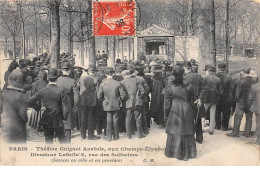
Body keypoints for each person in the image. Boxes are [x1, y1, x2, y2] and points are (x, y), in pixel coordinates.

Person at [28, 68, 69, 144]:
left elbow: (29, 101)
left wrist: (37, 108)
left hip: (46, 118)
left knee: (48, 141)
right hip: (58, 119)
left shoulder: (42, 91)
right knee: (63, 141)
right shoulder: (60, 91)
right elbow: (66, 108)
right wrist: (64, 118)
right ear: (57, 78)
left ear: (47, 78)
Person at [163, 66, 197, 161]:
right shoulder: (189, 86)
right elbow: (193, 101)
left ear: (173, 75)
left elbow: (166, 104)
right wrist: (193, 113)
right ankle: (189, 152)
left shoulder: (169, 88)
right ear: (183, 74)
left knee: (175, 130)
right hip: (187, 110)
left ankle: (173, 152)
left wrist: (166, 114)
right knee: (187, 130)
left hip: (174, 110)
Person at [98, 67, 126, 141]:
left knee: (108, 120)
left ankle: (108, 136)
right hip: (116, 104)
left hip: (107, 104)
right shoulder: (118, 83)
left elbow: (99, 96)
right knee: (116, 119)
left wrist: (104, 100)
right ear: (113, 73)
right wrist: (119, 99)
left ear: (105, 74)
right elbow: (123, 95)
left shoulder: (102, 84)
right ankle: (116, 136)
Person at [227, 68, 256, 137]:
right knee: (249, 118)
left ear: (243, 73)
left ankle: (235, 133)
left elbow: (238, 92)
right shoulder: (254, 81)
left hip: (241, 102)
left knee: (238, 117)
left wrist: (236, 99)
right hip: (250, 103)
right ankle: (247, 133)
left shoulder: (241, 81)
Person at [2, 69, 28, 143]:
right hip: (18, 129)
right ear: (18, 81)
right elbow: (23, 115)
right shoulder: (20, 95)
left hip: (6, 127)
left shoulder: (5, 93)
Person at [196, 64, 223, 135]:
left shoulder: (204, 78)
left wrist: (200, 98)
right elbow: (221, 90)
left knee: (203, 113)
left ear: (208, 71)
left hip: (206, 98)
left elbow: (201, 89)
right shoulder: (218, 79)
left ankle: (201, 128)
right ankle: (211, 130)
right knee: (213, 114)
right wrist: (218, 96)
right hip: (214, 99)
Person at [56, 61, 79, 143]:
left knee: (59, 122)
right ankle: (67, 142)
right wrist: (75, 106)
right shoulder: (72, 81)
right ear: (69, 70)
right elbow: (76, 96)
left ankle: (60, 141)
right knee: (68, 124)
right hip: (68, 104)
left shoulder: (56, 80)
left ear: (62, 70)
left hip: (57, 104)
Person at [121, 67, 146, 139]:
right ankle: (140, 134)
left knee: (128, 118)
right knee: (138, 117)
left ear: (123, 75)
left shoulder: (122, 82)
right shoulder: (136, 80)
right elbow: (143, 91)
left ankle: (129, 135)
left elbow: (122, 94)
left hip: (127, 102)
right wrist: (140, 97)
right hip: (137, 102)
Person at [77, 64, 101, 140]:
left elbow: (78, 88)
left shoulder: (81, 79)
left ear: (88, 71)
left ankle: (83, 135)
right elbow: (98, 91)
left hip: (83, 100)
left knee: (83, 118)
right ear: (94, 72)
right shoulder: (96, 79)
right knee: (91, 118)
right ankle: (91, 135)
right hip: (92, 101)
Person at [183, 61, 203, 143]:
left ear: (185, 68)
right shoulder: (199, 76)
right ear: (190, 68)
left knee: (188, 120)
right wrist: (200, 98)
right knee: (198, 119)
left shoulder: (184, 78)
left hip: (188, 101)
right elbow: (203, 89)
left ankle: (190, 137)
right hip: (198, 101)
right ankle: (199, 138)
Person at [215, 62, 233, 131]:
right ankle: (224, 127)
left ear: (218, 68)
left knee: (217, 111)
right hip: (226, 96)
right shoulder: (228, 76)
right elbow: (232, 87)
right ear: (225, 68)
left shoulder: (215, 76)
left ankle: (218, 126)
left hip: (217, 96)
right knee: (226, 112)